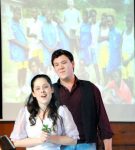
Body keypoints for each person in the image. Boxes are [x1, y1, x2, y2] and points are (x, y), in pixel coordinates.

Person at [51, 49, 113, 150]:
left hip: (87, 144)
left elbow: (103, 120)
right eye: (56, 65)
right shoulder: (50, 91)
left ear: (73, 64)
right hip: (60, 145)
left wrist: (108, 148)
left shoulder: (90, 88)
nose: (60, 67)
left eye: (64, 62)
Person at [10, 74, 79, 150]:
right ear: (33, 93)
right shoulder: (25, 112)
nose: (42, 91)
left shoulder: (62, 110)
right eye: (37, 88)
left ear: (52, 89)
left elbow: (73, 140)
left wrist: (50, 138)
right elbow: (16, 142)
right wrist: (39, 140)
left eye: (45, 87)